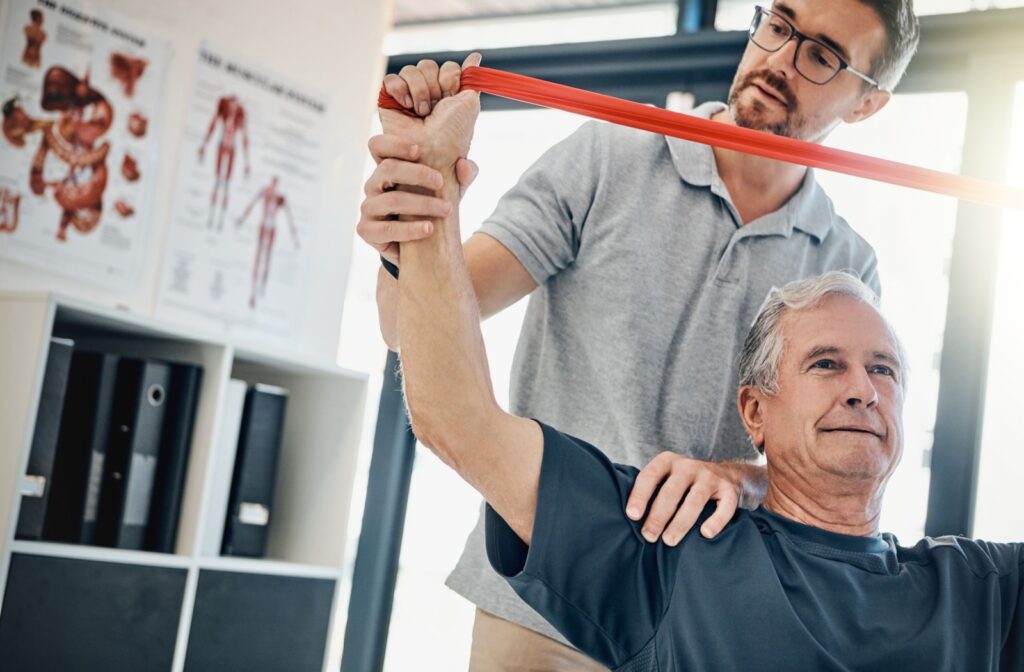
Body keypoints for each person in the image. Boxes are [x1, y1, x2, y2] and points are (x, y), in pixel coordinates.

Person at [362, 0, 920, 665]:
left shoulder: (847, 264)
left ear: (867, 105)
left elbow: (820, 477)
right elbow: (404, 326)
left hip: (705, 625)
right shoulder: (607, 155)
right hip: (544, 604)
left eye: (822, 55)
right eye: (777, 23)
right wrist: (412, 213)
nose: (778, 60)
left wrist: (743, 479)